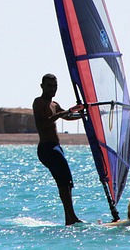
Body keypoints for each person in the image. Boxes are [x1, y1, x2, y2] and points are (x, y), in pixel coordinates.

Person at [32, 73, 83, 225]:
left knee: (67, 181)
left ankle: (70, 217)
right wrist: (61, 114)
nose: (52, 89)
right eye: (49, 86)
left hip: (56, 147)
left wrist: (83, 114)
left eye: (55, 86)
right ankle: (71, 217)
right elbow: (42, 124)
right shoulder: (38, 102)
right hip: (46, 148)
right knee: (63, 181)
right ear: (42, 86)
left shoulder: (54, 104)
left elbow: (67, 116)